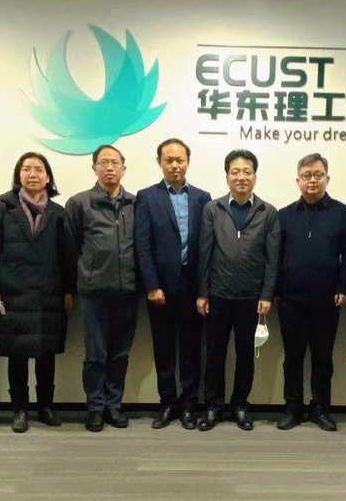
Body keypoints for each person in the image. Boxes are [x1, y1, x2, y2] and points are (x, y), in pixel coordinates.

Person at [0, 152, 75, 433]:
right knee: (16, 354)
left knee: (46, 355)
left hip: (49, 294)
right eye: (26, 169)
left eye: (38, 169)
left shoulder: (58, 213)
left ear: (48, 177)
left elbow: (68, 255)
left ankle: (45, 407)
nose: (32, 174)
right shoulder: (4, 209)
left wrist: (69, 289)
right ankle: (19, 410)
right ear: (18, 175)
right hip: (11, 295)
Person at [196, 149, 279, 432]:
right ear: (227, 176)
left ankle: (240, 405)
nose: (241, 177)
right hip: (217, 296)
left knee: (246, 356)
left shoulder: (268, 212)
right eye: (235, 172)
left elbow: (272, 259)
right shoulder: (213, 209)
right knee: (214, 355)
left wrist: (267, 295)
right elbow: (204, 253)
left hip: (251, 299)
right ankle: (213, 406)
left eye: (247, 172)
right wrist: (202, 292)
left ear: (255, 176)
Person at [276, 153, 346, 432]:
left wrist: (345, 287)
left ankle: (320, 408)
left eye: (318, 175)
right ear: (298, 180)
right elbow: (276, 256)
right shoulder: (284, 215)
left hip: (327, 300)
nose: (312, 180)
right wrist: (275, 291)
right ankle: (292, 408)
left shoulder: (342, 213)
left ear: (327, 179)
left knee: (323, 358)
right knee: (292, 357)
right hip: (291, 300)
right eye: (307, 175)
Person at [135, 138, 211, 430]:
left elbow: (206, 247)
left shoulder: (202, 198)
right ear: (160, 162)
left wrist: (204, 289)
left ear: (188, 162)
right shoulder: (147, 197)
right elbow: (143, 245)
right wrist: (151, 285)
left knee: (191, 348)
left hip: (192, 287)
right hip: (161, 289)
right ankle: (167, 403)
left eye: (180, 160)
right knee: (163, 347)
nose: (175, 165)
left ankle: (189, 404)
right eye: (169, 160)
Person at [66, 144, 138, 433]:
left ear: (124, 168)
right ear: (94, 167)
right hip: (93, 293)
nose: (109, 168)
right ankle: (95, 408)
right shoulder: (79, 203)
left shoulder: (135, 203)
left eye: (115, 163)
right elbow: (70, 249)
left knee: (120, 355)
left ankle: (113, 406)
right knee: (96, 355)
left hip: (128, 292)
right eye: (103, 162)